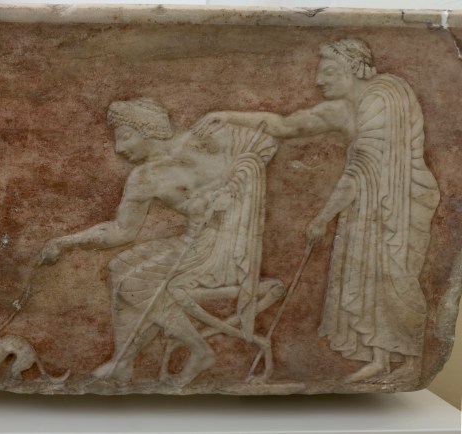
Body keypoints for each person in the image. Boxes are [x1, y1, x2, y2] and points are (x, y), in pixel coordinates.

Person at [197, 39, 439, 383]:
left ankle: (411, 363)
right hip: (365, 204)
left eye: (328, 72)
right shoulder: (341, 109)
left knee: (393, 274)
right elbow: (285, 126)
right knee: (366, 270)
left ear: (353, 70)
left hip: (397, 204)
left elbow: (363, 169)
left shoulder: (384, 99)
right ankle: (381, 359)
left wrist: (322, 218)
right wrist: (226, 116)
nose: (318, 81)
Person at [40, 98, 285, 387]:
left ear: (148, 130)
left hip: (226, 247)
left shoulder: (206, 138)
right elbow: (121, 231)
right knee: (120, 267)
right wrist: (67, 242)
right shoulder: (143, 178)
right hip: (193, 242)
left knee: (133, 284)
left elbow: (271, 137)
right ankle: (123, 363)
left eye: (126, 136)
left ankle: (199, 352)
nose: (119, 148)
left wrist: (238, 180)